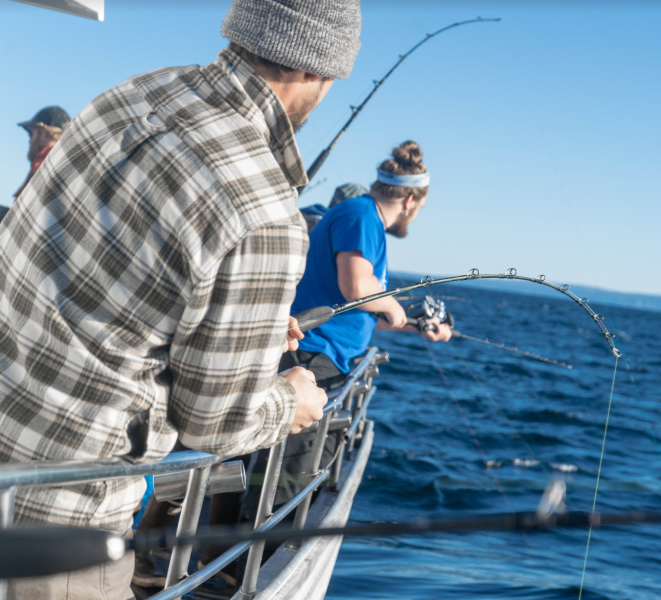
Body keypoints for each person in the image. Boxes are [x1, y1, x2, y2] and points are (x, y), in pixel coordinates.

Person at [0, 0, 361, 598]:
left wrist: (247, 331)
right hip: (62, 520)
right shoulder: (266, 207)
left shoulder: (129, 94)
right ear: (315, 71)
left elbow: (106, 284)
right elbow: (215, 419)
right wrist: (288, 401)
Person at [273, 141, 452, 506]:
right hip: (312, 358)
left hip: (327, 358)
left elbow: (361, 308)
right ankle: (245, 560)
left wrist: (415, 325)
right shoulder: (361, 216)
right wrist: (389, 301)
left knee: (292, 470)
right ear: (409, 201)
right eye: (420, 208)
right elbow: (356, 286)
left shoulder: (364, 222)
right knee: (289, 477)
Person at [13, 105, 71, 201]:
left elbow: (23, 208)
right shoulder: (69, 162)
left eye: (31, 133)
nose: (29, 140)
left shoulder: (43, 163)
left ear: (44, 131)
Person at [300, 181, 368, 233]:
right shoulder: (315, 208)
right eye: (337, 194)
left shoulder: (339, 228)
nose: (335, 199)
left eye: (342, 197)